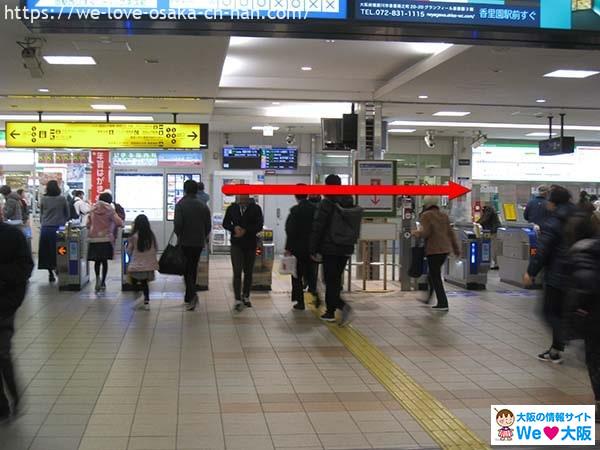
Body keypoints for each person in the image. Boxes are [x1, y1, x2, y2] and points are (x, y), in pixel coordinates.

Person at [524, 185, 576, 363]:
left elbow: (543, 250)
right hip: (578, 272)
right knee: (564, 311)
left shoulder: (554, 223)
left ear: (553, 202)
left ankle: (564, 338)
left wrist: (531, 272)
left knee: (549, 311)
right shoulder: (579, 217)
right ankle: (556, 350)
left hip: (558, 273)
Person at [309, 174, 360, 325]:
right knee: (335, 279)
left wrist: (313, 249)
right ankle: (332, 310)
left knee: (329, 280)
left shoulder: (327, 202)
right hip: (345, 247)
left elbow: (318, 227)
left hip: (330, 247)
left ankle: (338, 308)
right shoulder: (349, 201)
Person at [0, 221, 34, 421]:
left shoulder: (12, 235)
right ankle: (3, 405)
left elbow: (24, 269)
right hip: (7, 301)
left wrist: (12, 300)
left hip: (4, 305)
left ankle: (13, 396)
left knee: (2, 353)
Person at [412, 197, 461, 312]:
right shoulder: (443, 215)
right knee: (433, 274)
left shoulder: (426, 215)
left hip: (434, 250)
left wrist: (416, 233)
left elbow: (426, 232)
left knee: (435, 277)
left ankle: (443, 302)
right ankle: (429, 298)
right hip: (444, 250)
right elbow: (451, 233)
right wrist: (456, 249)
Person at [174, 180, 212, 311]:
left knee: (186, 269)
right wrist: (202, 235)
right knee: (193, 267)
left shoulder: (180, 205)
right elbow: (208, 226)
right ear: (196, 190)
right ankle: (189, 295)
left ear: (185, 190)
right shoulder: (203, 206)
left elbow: (178, 225)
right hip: (198, 243)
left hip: (185, 242)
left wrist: (180, 236)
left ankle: (192, 295)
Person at [223, 194, 264, 311]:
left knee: (248, 272)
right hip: (236, 244)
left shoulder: (256, 209)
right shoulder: (232, 208)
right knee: (237, 271)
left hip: (250, 244)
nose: (242, 197)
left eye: (244, 194)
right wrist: (234, 228)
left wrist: (245, 230)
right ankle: (237, 298)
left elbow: (259, 225)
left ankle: (246, 296)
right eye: (240, 195)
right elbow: (225, 223)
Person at [285, 186, 318, 310]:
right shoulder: (315, 209)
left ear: (296, 195)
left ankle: (300, 302)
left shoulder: (295, 210)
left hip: (297, 249)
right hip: (311, 248)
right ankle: (316, 296)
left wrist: (288, 247)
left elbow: (290, 230)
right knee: (311, 274)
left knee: (297, 275)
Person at [87, 192, 124, 292]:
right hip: (106, 238)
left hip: (94, 239)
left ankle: (97, 278)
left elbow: (88, 224)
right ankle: (103, 282)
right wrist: (122, 224)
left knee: (97, 261)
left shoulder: (93, 209)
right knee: (104, 261)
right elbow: (118, 222)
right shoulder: (110, 209)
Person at [38, 180, 69, 283]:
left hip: (46, 228)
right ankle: (59, 269)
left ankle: (50, 273)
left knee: (46, 251)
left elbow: (41, 213)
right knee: (60, 251)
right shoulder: (62, 199)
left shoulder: (43, 199)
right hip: (59, 229)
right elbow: (67, 214)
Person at [127, 215, 158, 311]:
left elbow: (129, 250)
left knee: (133, 280)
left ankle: (139, 297)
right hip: (148, 266)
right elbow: (156, 248)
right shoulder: (151, 235)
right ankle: (146, 301)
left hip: (137, 265)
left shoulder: (134, 236)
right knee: (145, 283)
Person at [478, 205, 502, 269]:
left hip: (494, 231)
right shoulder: (488, 210)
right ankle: (495, 263)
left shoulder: (489, 209)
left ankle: (495, 263)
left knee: (494, 248)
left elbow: (485, 219)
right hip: (492, 231)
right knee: (493, 247)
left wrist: (476, 223)